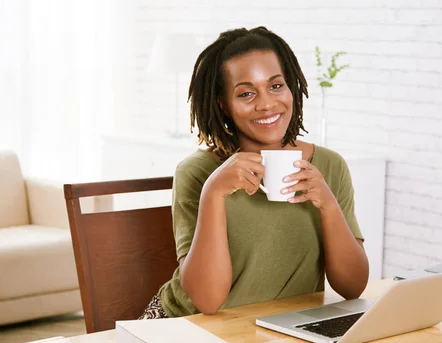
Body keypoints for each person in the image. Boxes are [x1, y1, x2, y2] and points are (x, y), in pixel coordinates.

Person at [140, 26, 369, 319]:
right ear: (224, 105)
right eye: (246, 93)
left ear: (291, 87)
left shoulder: (329, 166)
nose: (266, 104)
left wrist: (328, 203)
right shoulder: (198, 172)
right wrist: (213, 193)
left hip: (281, 329)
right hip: (187, 327)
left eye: (275, 86)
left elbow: (353, 287)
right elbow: (206, 302)